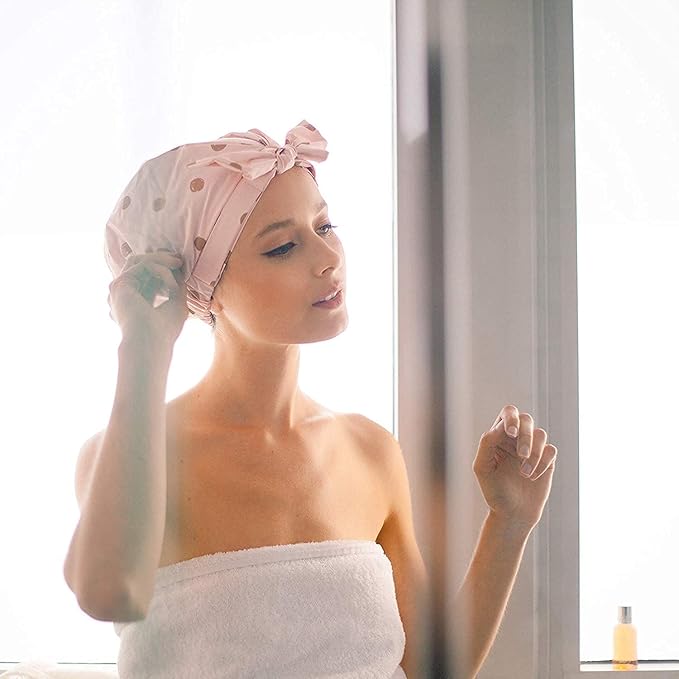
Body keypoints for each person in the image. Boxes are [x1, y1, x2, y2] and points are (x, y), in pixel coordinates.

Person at [62, 120, 559, 679]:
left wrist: (509, 523)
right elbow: (106, 593)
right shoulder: (127, 456)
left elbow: (433, 670)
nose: (327, 257)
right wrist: (144, 347)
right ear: (203, 288)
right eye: (282, 247)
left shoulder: (371, 449)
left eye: (325, 226)